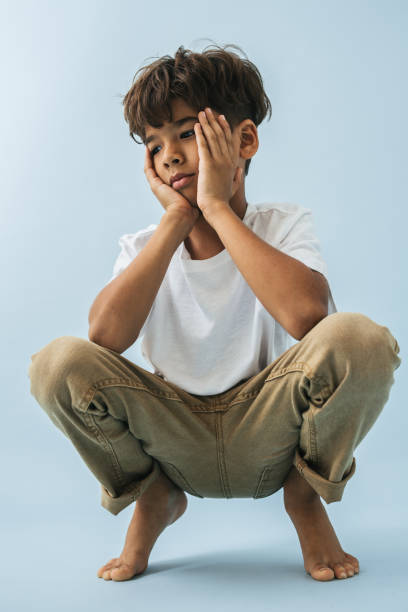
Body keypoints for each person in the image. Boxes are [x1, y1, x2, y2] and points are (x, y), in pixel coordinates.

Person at [28, 43, 401, 583]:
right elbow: (103, 338)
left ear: (243, 139)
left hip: (272, 429)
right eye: (154, 145)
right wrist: (176, 224)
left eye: (184, 133)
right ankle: (151, 497)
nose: (170, 155)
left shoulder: (284, 225)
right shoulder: (143, 248)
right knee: (56, 363)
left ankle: (306, 495)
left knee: (362, 339)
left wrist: (218, 209)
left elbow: (307, 315)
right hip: (172, 432)